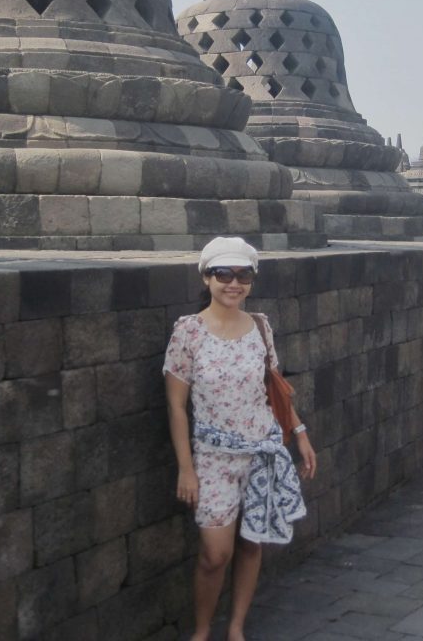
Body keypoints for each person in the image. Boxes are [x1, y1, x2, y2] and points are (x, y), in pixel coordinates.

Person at [163, 236, 317, 641]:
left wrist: (299, 434)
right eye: (224, 274)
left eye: (243, 275)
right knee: (216, 554)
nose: (234, 283)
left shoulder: (260, 328)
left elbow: (273, 390)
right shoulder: (189, 333)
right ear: (207, 277)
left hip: (262, 451)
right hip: (213, 456)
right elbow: (177, 407)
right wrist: (186, 469)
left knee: (252, 542)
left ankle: (235, 628)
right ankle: (201, 632)